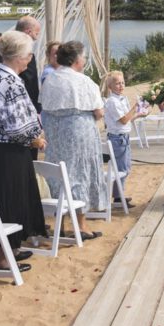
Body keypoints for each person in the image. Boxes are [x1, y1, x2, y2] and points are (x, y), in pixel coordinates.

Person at [0, 30, 46, 266]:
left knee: (2, 199)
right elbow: (17, 126)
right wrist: (36, 139)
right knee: (8, 199)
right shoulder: (9, 81)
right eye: (28, 54)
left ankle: (9, 249)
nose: (30, 58)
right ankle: (3, 256)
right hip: (5, 150)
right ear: (19, 56)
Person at [41, 41, 105, 239]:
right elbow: (99, 111)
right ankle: (82, 225)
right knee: (79, 173)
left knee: (58, 172)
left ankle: (59, 223)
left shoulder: (50, 79)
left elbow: (43, 105)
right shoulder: (84, 81)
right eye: (84, 57)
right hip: (79, 132)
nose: (84, 60)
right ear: (77, 59)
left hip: (55, 131)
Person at [0, 16, 41, 114]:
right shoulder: (25, 52)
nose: (36, 38)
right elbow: (30, 82)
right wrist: (36, 108)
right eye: (36, 34)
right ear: (28, 32)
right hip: (18, 106)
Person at [103, 70, 143, 181]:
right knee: (122, 168)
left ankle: (118, 195)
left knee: (125, 167)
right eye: (118, 83)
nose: (121, 86)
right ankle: (118, 196)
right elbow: (123, 120)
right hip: (118, 139)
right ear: (110, 86)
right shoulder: (113, 101)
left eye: (123, 83)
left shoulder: (121, 99)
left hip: (124, 137)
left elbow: (127, 119)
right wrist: (135, 107)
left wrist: (139, 114)